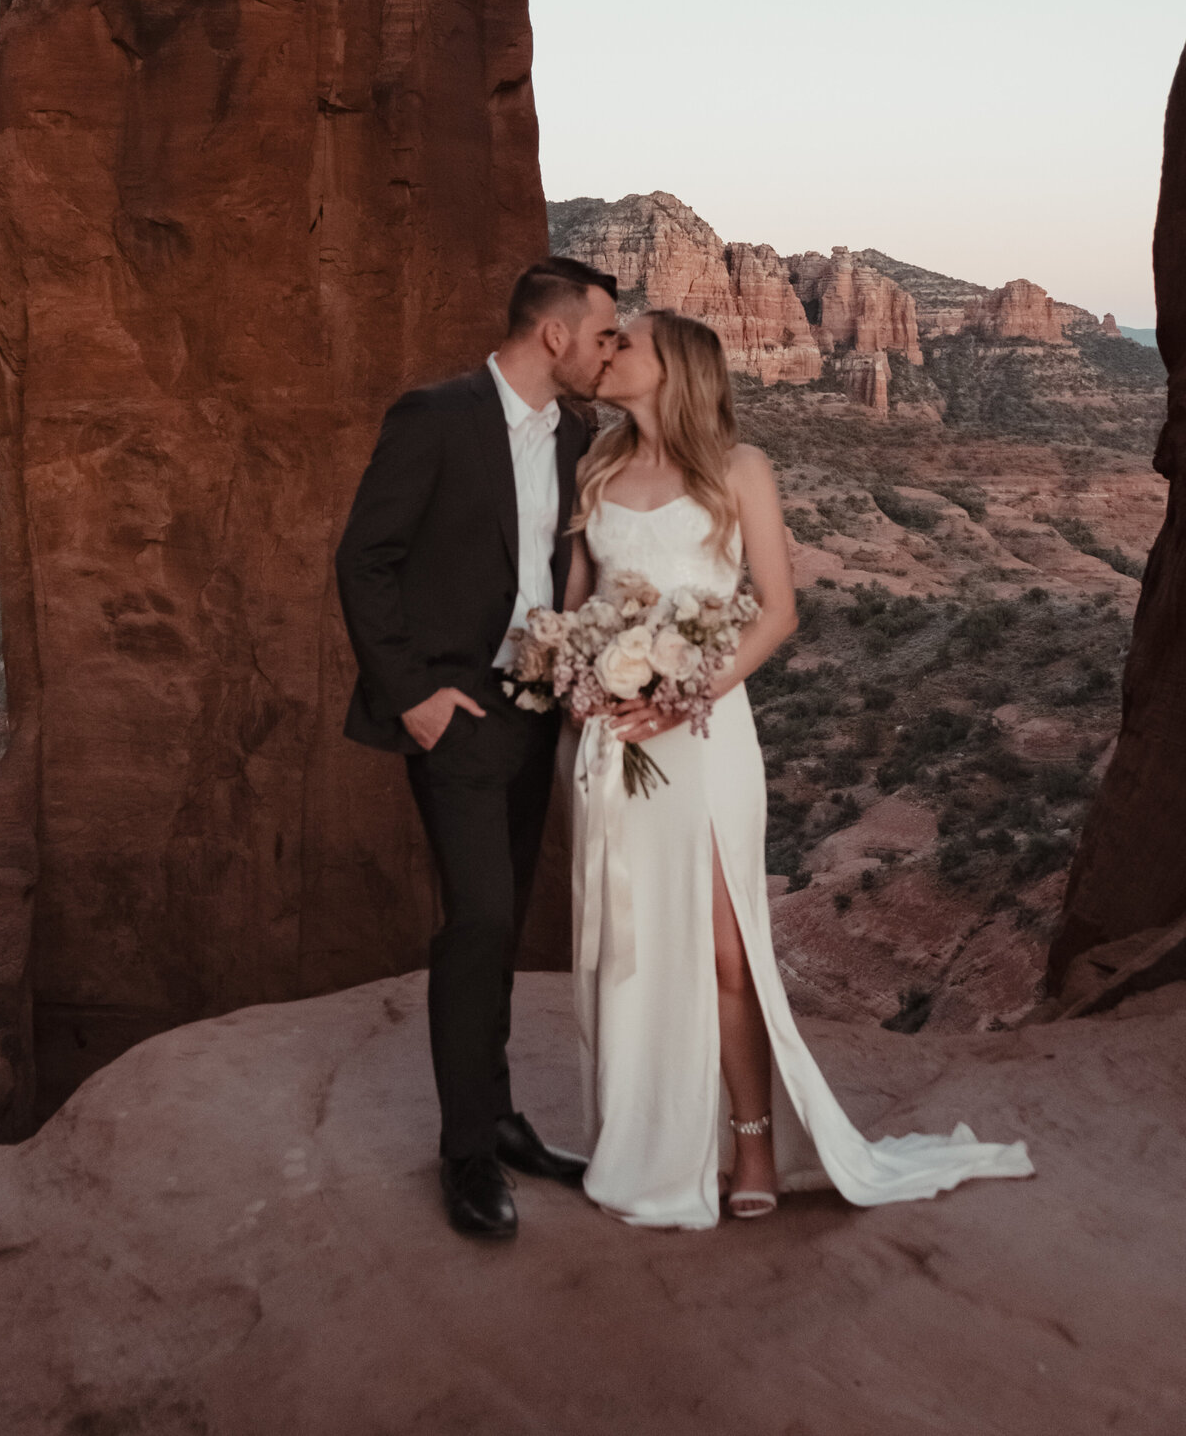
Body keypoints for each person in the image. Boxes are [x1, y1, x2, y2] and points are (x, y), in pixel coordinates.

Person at [565, 309, 1034, 1228]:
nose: (608, 351)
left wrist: (683, 695)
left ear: (675, 368)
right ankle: (649, 1137)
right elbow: (580, 605)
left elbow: (776, 612)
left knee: (727, 948)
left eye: (626, 343)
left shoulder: (740, 469)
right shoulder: (598, 468)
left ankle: (750, 1142)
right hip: (615, 736)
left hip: (703, 733)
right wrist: (579, 680)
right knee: (632, 941)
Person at [335, 257, 620, 1240]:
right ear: (554, 334)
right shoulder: (436, 415)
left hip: (536, 712)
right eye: (601, 333)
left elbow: (566, 575)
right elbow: (362, 557)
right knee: (481, 916)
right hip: (453, 711)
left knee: (499, 924)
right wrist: (411, 695)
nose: (606, 351)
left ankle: (496, 1116)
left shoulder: (580, 436)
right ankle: (464, 1152)